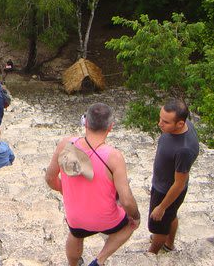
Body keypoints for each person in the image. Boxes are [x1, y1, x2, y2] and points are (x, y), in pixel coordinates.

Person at [45, 103, 140, 266]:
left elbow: (49, 178)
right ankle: (100, 260)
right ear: (110, 127)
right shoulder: (113, 157)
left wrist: (65, 190)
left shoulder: (66, 145)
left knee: (75, 234)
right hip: (107, 219)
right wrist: (136, 216)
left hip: (76, 217)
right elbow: (126, 200)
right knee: (130, 225)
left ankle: (72, 264)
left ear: (86, 123)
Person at [148, 98, 200, 254]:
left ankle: (152, 253)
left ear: (180, 124)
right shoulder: (184, 125)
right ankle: (169, 245)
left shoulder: (184, 150)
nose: (160, 124)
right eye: (160, 118)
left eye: (165, 122)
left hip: (166, 192)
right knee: (171, 216)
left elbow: (179, 184)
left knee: (159, 227)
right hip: (162, 184)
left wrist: (162, 207)